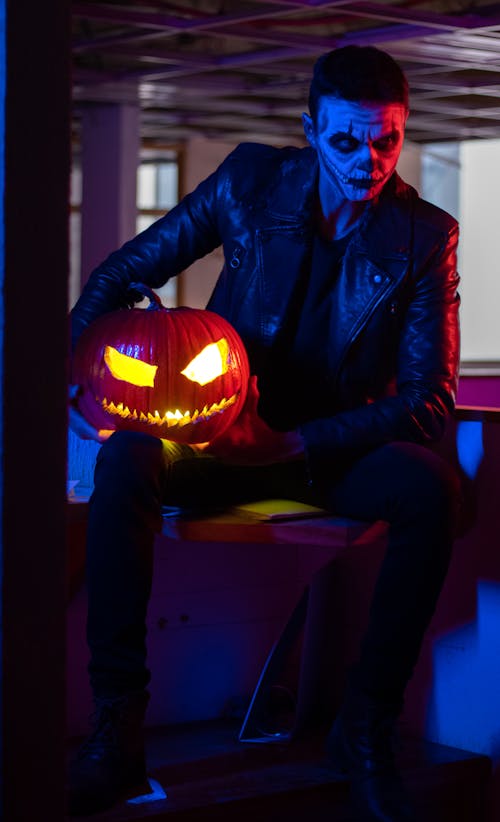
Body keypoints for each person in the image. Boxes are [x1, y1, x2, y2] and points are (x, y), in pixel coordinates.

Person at [68, 45, 462, 821]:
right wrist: (78, 379)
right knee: (127, 465)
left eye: (386, 139)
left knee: (428, 491)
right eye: (347, 140)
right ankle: (117, 730)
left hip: (325, 451)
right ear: (311, 129)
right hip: (220, 433)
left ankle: (366, 728)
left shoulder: (425, 234)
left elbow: (428, 401)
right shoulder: (250, 181)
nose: (368, 159)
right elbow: (121, 273)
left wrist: (293, 445)